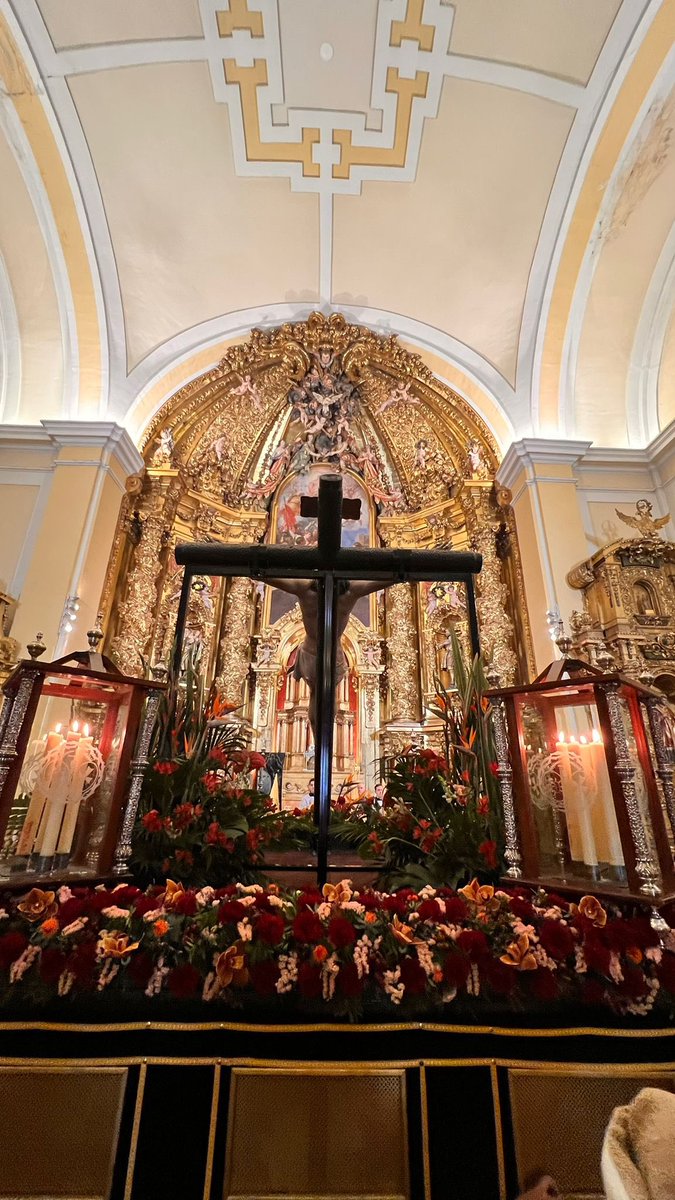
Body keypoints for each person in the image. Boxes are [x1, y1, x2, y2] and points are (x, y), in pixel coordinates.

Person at [267, 577, 386, 735]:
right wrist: (402, 572)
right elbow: (383, 580)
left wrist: (252, 567)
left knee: (315, 693)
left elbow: (272, 577)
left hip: (311, 651)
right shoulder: (350, 592)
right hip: (331, 654)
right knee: (329, 695)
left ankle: (319, 741)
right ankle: (324, 740)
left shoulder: (305, 589)